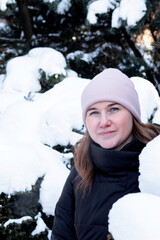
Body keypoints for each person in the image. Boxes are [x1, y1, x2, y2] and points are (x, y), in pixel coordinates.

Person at [51, 68, 160, 240]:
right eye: (94, 112)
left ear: (132, 114)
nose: (104, 122)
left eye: (114, 109)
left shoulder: (156, 164)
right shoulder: (81, 170)